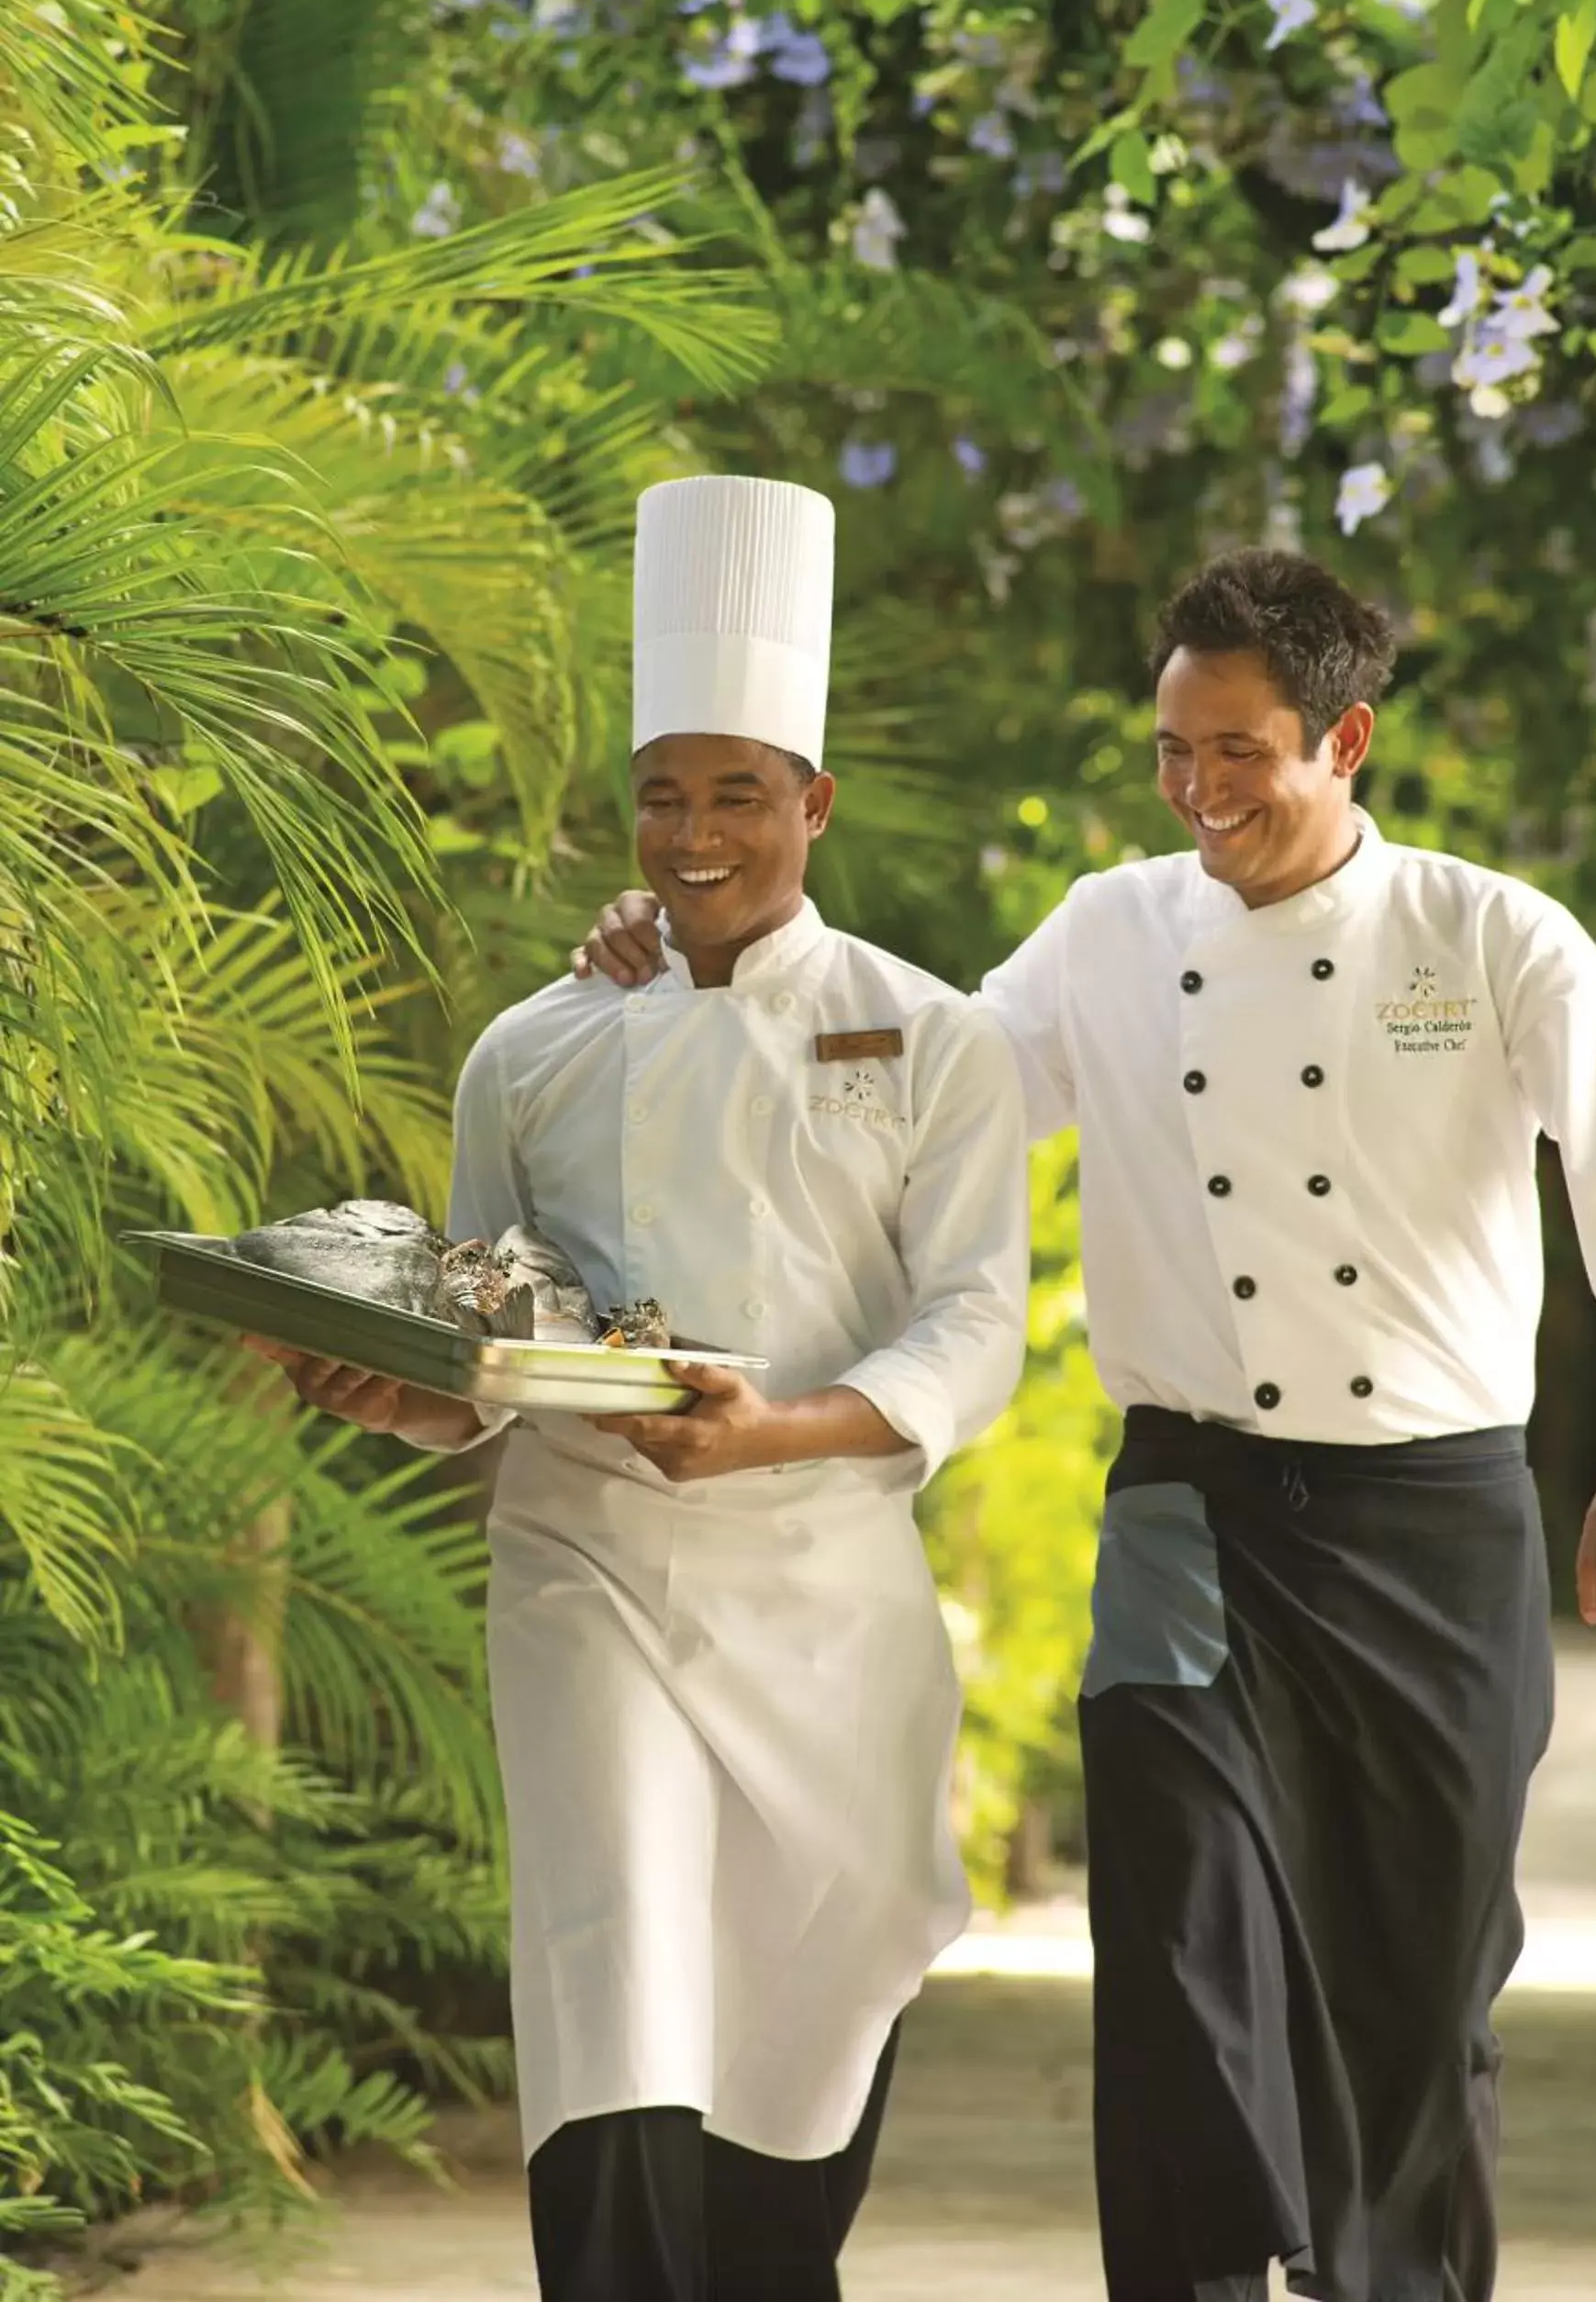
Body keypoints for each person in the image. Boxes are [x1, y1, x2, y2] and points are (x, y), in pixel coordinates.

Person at [575, 542, 1596, 2302]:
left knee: (1421, 1991)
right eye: (1171, 753)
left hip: (1435, 1520)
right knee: (1178, 1939)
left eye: (1240, 753)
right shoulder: (1113, 931)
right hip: (1188, 1507)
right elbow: (909, 1096)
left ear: (1343, 742)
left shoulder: (1491, 934)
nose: (1200, 792)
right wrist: (699, 966)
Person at [253, 474, 1031, 2302]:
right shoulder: (532, 1049)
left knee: (832, 1959)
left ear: (812, 804)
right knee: (614, 1968)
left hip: (831, 1588)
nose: (695, 835)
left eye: (737, 795)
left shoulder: (935, 1037)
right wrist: (394, 1398)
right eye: (664, 796)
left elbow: (974, 1323)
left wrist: (782, 1430)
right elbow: (485, 1342)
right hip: (585, 1565)